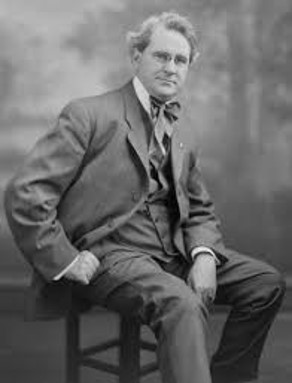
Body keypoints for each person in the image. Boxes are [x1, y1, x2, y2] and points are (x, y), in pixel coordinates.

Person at [4, 11, 285, 383]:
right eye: (161, 56)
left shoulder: (183, 126)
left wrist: (203, 255)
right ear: (136, 57)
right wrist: (66, 260)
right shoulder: (88, 114)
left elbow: (198, 207)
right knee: (181, 304)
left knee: (265, 284)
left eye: (180, 60)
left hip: (174, 253)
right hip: (111, 255)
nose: (171, 68)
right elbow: (26, 194)